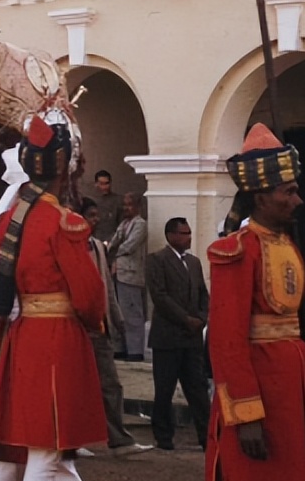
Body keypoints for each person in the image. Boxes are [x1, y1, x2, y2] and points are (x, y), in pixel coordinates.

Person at [0, 112, 109, 481]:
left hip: (19, 341)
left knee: (25, 454)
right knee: (46, 453)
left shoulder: (10, 221)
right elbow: (89, 299)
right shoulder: (65, 223)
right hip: (58, 346)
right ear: (63, 170)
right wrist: (96, 322)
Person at [206, 123, 305, 481]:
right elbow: (226, 339)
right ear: (261, 196)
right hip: (258, 389)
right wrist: (245, 413)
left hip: (299, 387)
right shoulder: (235, 250)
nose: (298, 200)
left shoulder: (288, 245)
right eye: (289, 191)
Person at [81, 199, 154, 458]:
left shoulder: (97, 248)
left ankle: (119, 439)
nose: (95, 220)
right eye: (90, 215)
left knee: (110, 384)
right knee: (76, 386)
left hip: (100, 326)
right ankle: (73, 438)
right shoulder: (70, 246)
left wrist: (116, 318)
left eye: (96, 215)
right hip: (78, 326)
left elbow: (106, 287)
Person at [146, 217, 210, 452]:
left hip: (192, 338)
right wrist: (185, 319)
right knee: (165, 389)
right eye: (184, 233)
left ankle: (207, 435)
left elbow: (203, 293)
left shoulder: (194, 263)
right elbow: (160, 296)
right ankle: (164, 435)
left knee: (198, 388)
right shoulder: (157, 260)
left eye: (189, 233)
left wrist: (202, 317)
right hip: (168, 336)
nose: (189, 238)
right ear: (171, 236)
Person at [108, 191, 147, 361]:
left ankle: (135, 349)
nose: (126, 208)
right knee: (118, 312)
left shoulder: (140, 224)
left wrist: (113, 253)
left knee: (132, 312)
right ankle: (120, 347)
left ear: (137, 206)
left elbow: (129, 246)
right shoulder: (124, 224)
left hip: (131, 273)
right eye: (125, 204)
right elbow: (114, 241)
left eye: (129, 205)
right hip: (117, 272)